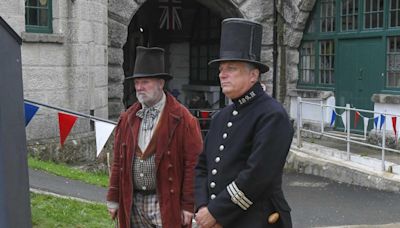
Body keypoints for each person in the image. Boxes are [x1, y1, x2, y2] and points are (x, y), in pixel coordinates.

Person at [194, 18, 294, 228]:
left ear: (253, 75)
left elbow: (257, 176)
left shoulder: (272, 115)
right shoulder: (221, 116)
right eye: (221, 69)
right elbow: (202, 166)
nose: (223, 75)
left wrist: (216, 213)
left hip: (256, 220)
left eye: (231, 68)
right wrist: (202, 206)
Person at [107, 46, 203, 228]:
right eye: (137, 83)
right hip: (133, 201)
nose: (139, 87)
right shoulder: (127, 118)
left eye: (145, 82)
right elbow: (118, 162)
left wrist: (189, 205)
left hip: (165, 201)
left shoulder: (184, 120)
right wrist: (114, 198)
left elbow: (193, 165)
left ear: (161, 83)